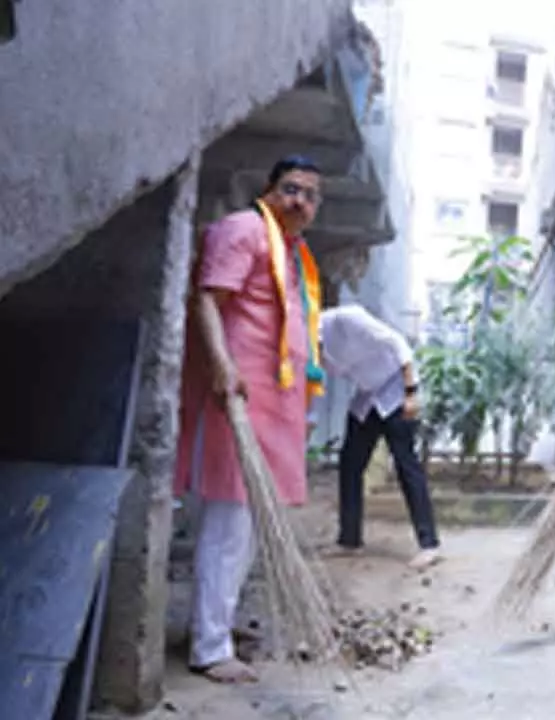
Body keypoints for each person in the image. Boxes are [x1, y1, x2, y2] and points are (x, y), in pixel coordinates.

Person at [174, 155, 327, 684]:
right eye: (291, 189)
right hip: (237, 399)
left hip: (274, 407)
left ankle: (218, 626)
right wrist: (221, 366)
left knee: (250, 526)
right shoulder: (244, 230)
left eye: (310, 195)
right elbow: (209, 301)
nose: (300, 201)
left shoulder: (292, 253)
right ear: (268, 190)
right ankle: (210, 646)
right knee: (228, 524)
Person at [317, 304, 441, 570]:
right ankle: (349, 540)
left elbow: (398, 344)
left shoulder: (345, 319)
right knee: (350, 463)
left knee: (406, 466)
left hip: (396, 390)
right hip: (367, 397)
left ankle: (429, 544)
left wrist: (411, 393)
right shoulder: (312, 348)